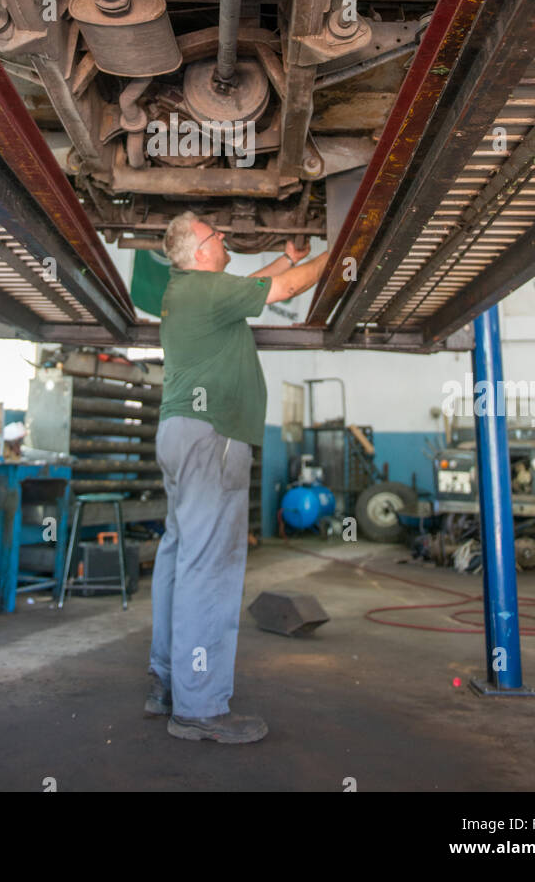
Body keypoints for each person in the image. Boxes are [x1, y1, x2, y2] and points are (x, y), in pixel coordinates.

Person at [146, 211, 329, 743]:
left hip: (182, 435)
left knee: (180, 558)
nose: (224, 237)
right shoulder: (202, 289)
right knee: (210, 568)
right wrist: (340, 255)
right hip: (212, 437)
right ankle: (199, 706)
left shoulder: (192, 291)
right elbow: (284, 289)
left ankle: (164, 682)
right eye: (215, 234)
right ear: (199, 252)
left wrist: (288, 257)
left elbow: (254, 285)